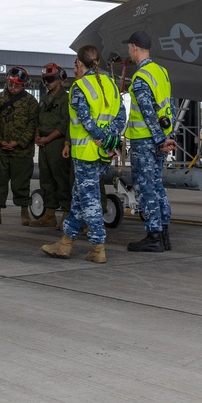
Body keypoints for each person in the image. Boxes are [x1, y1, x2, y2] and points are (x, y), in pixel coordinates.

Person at [42, 45, 125, 263]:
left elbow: (86, 122)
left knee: (89, 201)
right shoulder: (111, 84)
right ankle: (65, 243)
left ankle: (98, 247)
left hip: (86, 153)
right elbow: (120, 117)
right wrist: (109, 139)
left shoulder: (79, 88)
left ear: (79, 62)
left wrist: (101, 137)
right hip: (104, 154)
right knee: (79, 197)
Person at [123, 30, 177, 252]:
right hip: (160, 139)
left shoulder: (140, 78)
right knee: (157, 186)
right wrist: (167, 136)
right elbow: (169, 107)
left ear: (135, 47)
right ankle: (164, 236)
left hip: (146, 141)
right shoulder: (161, 72)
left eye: (129, 47)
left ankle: (153, 236)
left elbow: (147, 111)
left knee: (145, 188)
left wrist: (158, 139)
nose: (128, 50)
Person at [0, 66, 38, 226]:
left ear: (23, 85)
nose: (13, 88)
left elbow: (33, 125)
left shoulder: (31, 102)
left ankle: (24, 212)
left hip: (22, 152)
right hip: (2, 151)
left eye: (16, 85)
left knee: (21, 184)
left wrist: (18, 142)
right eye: (10, 84)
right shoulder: (0, 99)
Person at [29, 63, 72, 229]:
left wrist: (48, 139)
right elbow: (38, 120)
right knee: (46, 180)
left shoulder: (65, 99)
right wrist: (38, 135)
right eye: (45, 79)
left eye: (50, 79)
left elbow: (64, 124)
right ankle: (49, 214)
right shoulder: (44, 99)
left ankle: (67, 214)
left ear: (59, 79)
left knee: (61, 180)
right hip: (44, 145)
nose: (47, 82)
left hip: (57, 144)